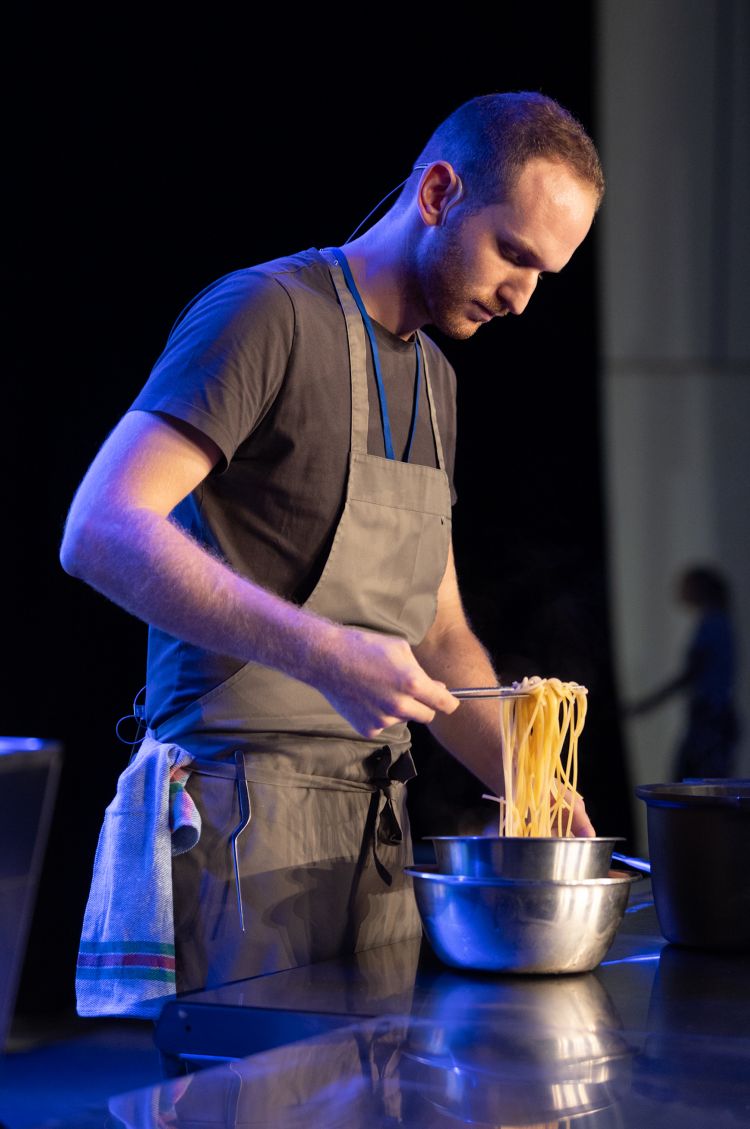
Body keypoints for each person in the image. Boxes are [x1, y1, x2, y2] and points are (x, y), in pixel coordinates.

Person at [61, 92, 603, 1010]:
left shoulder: (437, 382)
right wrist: (324, 650)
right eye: (514, 254)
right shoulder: (266, 314)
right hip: (243, 838)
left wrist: (535, 785)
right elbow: (101, 529)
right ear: (437, 192)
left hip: (374, 847)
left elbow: (438, 639)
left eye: (545, 272)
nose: (522, 297)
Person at [628, 565, 740, 780]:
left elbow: (690, 673)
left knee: (695, 788)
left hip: (712, 721)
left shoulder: (713, 624)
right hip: (711, 720)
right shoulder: (716, 622)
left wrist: (646, 704)